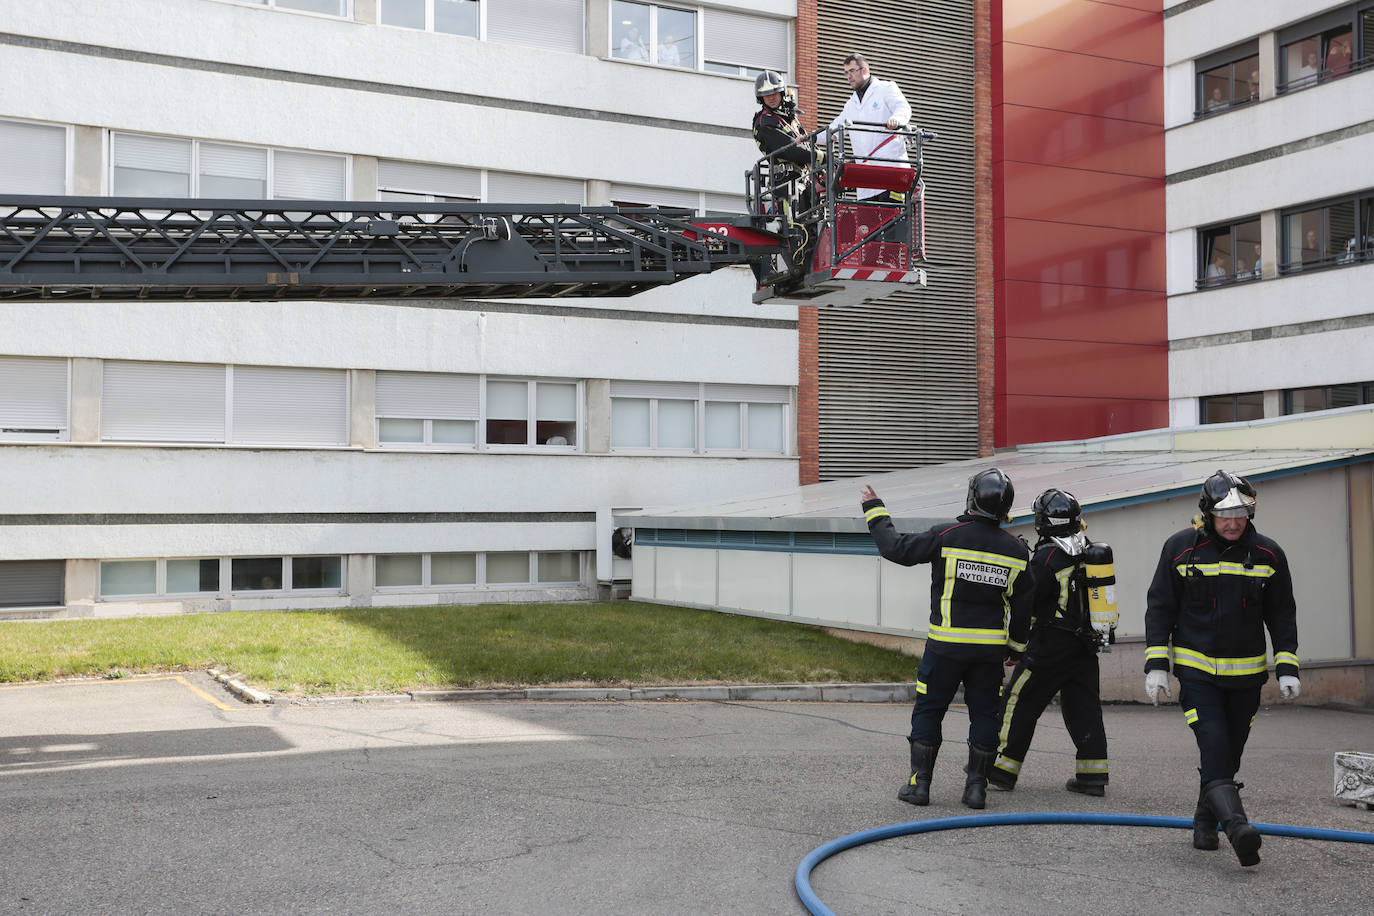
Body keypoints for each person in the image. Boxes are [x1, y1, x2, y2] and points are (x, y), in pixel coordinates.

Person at [1144, 470, 1300, 867]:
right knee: (1213, 745)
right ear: (1207, 514)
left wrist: (1287, 666)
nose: (1233, 522)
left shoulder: (1269, 555)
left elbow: (1281, 614)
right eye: (1224, 514)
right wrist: (1157, 664)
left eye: (1241, 513)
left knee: (1227, 756)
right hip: (1197, 675)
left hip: (1247, 679)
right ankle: (1237, 828)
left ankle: (1203, 822)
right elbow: (1160, 607)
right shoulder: (1180, 549)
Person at [861, 468, 1033, 810]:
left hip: (945, 648)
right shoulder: (1016, 551)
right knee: (985, 716)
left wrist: (875, 510)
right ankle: (975, 790)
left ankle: (919, 786)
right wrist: (1016, 647)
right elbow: (1024, 605)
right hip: (988, 653)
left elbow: (896, 549)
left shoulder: (947, 534)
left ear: (972, 498)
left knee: (930, 709)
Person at [989, 489, 1110, 797]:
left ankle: (1001, 770)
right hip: (1085, 645)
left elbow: (1026, 600)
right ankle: (1092, 777)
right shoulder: (1090, 551)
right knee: (1084, 708)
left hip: (1050, 645)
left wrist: (1015, 644)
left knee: (1019, 701)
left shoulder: (1046, 558)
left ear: (1043, 522)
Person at [817, 52, 912, 202]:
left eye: (852, 71)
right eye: (846, 73)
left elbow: (903, 108)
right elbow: (833, 129)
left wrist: (896, 119)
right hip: (866, 181)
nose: (849, 76)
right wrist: (808, 138)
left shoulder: (886, 88)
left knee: (893, 221)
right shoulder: (851, 104)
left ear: (865, 70)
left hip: (890, 172)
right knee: (870, 224)